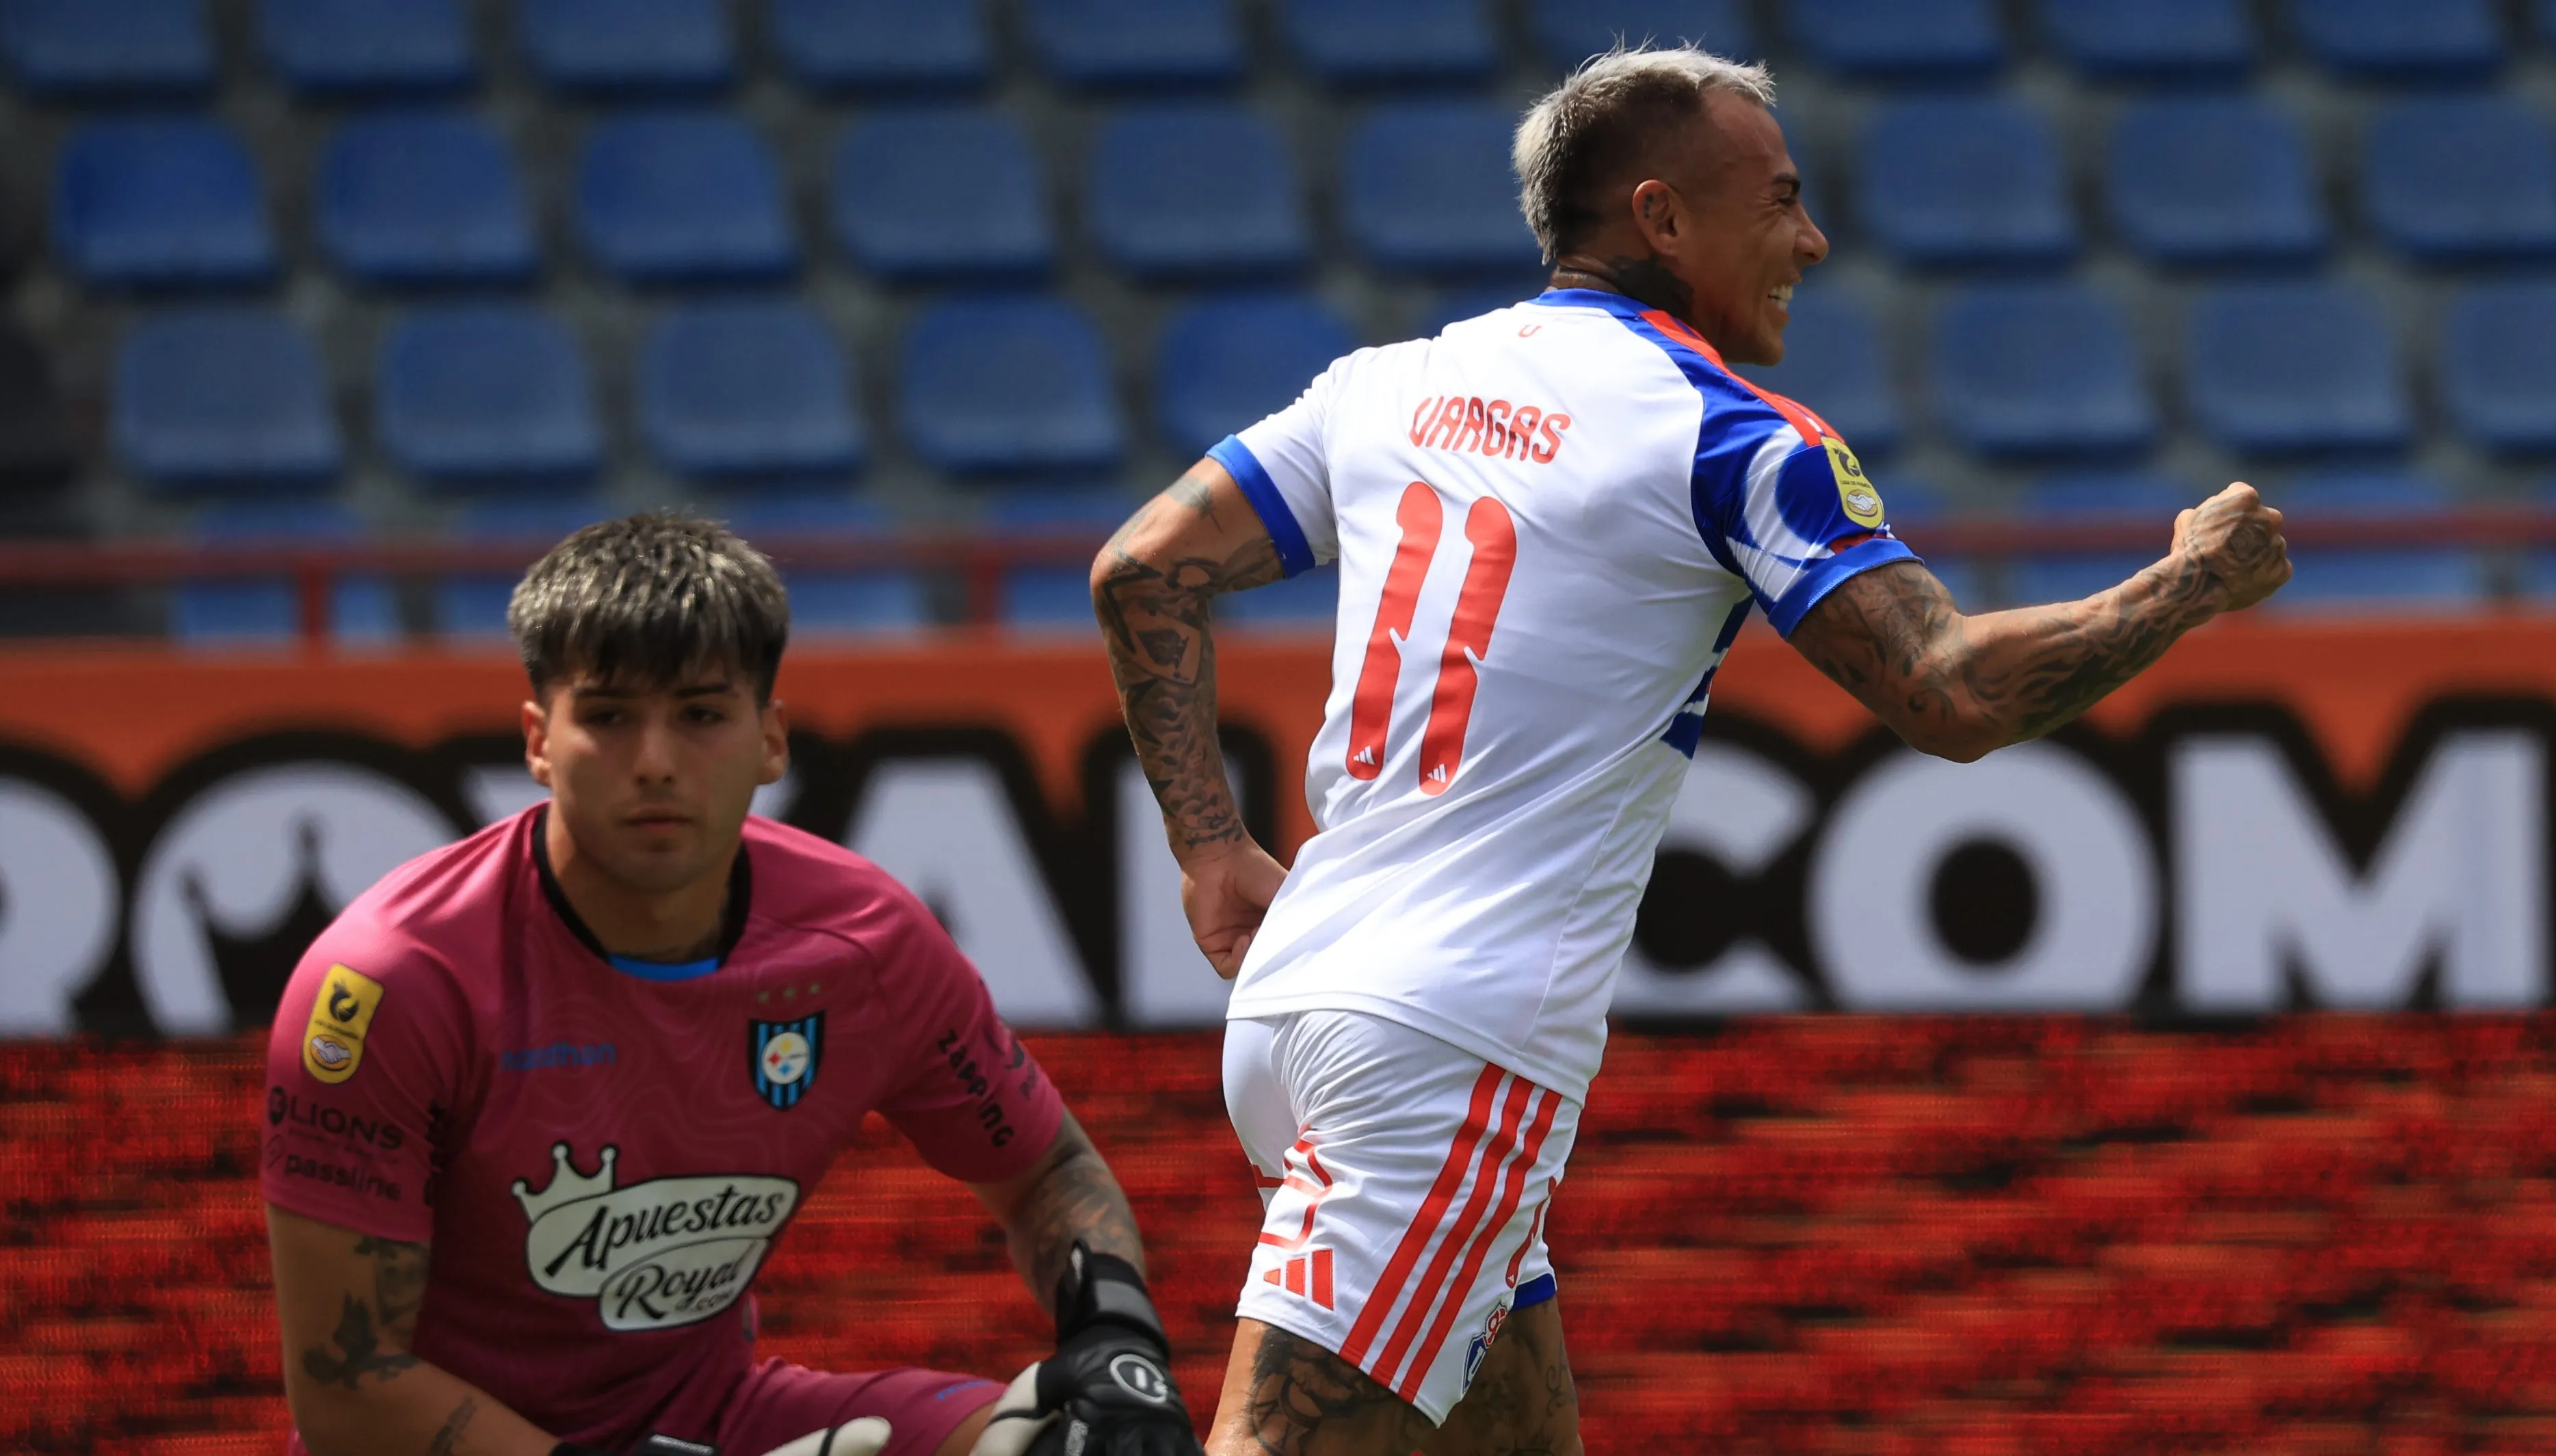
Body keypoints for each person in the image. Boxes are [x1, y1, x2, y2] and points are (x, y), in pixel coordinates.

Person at [1088, 45, 2291, 1456]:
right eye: (1777, 199)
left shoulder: (1386, 384)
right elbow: (1949, 693)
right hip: (1448, 1042)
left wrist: (1207, 847)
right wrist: (2190, 582)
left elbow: (1139, 568)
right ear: (1659, 218)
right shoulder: (1727, 435)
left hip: (1298, 1008)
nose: (1810, 237)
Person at [262, 515, 1201, 1456]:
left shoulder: (869, 943)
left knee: (1070, 1446)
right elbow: (350, 1391)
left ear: (771, 740)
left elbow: (1050, 1171)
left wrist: (1116, 1342)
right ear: (538, 741)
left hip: (716, 1423)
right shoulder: (391, 984)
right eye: (609, 716)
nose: (657, 761)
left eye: (703, 715)